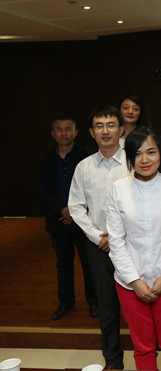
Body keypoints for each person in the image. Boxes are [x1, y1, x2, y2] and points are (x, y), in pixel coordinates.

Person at [106, 128, 161, 371]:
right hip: (130, 284)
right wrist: (134, 281)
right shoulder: (118, 188)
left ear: (160, 154)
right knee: (143, 347)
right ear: (129, 158)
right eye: (137, 154)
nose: (144, 160)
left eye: (151, 152)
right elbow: (116, 240)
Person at [69, 106, 129, 370]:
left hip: (132, 244)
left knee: (139, 305)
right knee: (106, 307)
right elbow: (76, 207)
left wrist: (119, 236)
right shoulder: (83, 167)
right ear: (92, 132)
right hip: (98, 246)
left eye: (111, 125)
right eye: (100, 126)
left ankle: (147, 361)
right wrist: (97, 236)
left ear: (121, 130)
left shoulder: (134, 161)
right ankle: (113, 363)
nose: (106, 131)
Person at [38, 115, 97, 320]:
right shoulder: (45, 159)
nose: (64, 133)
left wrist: (75, 211)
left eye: (68, 129)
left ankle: (94, 302)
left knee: (88, 264)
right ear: (53, 134)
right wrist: (62, 209)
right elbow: (42, 191)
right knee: (63, 264)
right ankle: (66, 302)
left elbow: (93, 187)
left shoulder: (88, 155)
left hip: (85, 220)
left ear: (75, 132)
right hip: (58, 220)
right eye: (59, 129)